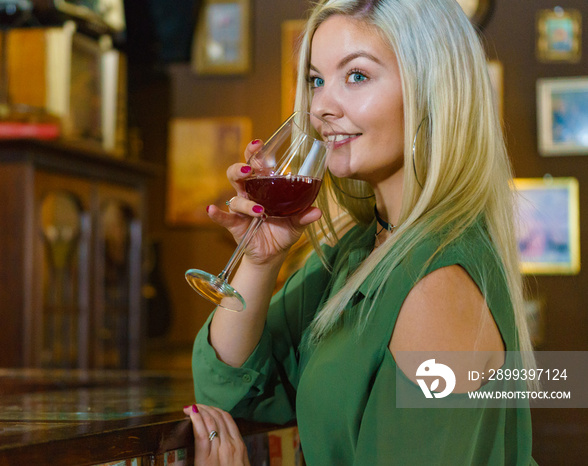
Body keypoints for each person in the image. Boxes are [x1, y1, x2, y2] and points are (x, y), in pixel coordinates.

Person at [190, 0, 537, 464]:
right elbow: (232, 389)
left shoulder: (438, 286)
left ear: (431, 92)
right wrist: (258, 261)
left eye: (356, 76)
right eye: (316, 80)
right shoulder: (361, 248)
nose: (321, 107)